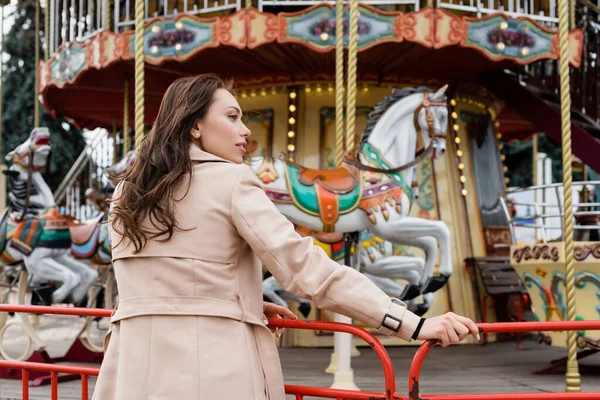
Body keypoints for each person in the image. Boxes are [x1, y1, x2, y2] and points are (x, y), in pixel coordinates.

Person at [93, 74, 480, 400]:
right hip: (210, 371)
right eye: (231, 116)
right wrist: (411, 322)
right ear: (194, 125)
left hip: (130, 371)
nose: (245, 130)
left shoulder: (126, 192)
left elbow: (159, 282)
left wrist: (244, 301)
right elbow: (309, 270)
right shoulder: (232, 181)